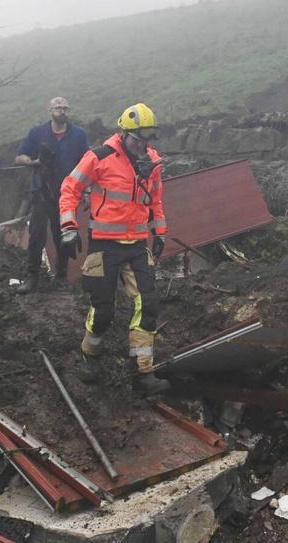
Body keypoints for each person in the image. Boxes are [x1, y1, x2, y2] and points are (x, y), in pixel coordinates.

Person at [58, 102, 170, 395]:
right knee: (104, 309)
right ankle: (90, 356)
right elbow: (70, 188)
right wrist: (68, 228)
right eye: (137, 140)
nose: (141, 146)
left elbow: (155, 199)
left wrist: (159, 232)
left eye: (146, 141)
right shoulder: (100, 157)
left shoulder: (151, 161)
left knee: (148, 305)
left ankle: (143, 372)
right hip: (104, 245)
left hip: (136, 244)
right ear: (124, 133)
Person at [15, 96, 88, 291]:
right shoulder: (37, 133)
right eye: (58, 107)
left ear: (68, 111)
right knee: (37, 234)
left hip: (67, 193)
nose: (61, 111)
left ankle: (61, 276)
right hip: (41, 191)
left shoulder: (79, 135)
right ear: (49, 110)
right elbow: (20, 156)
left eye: (65, 108)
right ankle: (32, 277)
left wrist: (86, 190)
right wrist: (33, 162)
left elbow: (87, 164)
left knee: (62, 235)